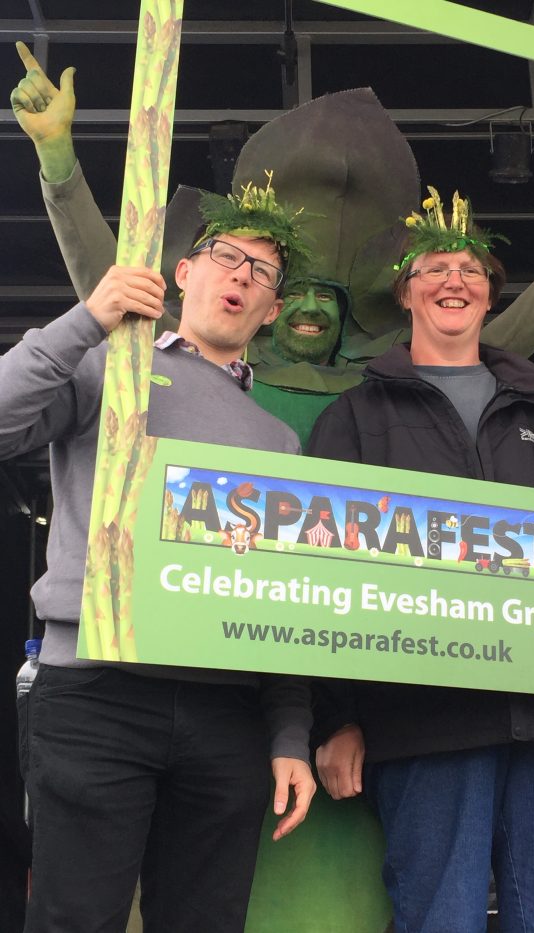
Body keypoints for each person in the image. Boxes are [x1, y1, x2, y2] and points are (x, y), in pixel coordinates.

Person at [307, 187, 534, 932]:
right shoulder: (354, 417)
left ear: (491, 295)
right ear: (406, 292)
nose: (453, 278)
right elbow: (325, 576)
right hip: (429, 718)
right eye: (434, 266)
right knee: (439, 918)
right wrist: (337, 715)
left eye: (470, 266)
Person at [10, 41, 534, 447]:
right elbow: (110, 281)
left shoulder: (388, 382)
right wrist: (58, 158)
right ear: (271, 309)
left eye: (328, 299)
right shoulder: (189, 362)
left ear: (354, 319)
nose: (313, 309)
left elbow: (496, 342)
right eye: (297, 291)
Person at [0, 173, 316, 932]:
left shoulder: (280, 441)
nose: (241, 275)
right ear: (183, 272)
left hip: (225, 710)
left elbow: (288, 601)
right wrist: (87, 319)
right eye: (225, 255)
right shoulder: (111, 363)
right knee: (76, 918)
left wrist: (289, 732)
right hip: (93, 690)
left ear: (272, 309)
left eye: (262, 271)